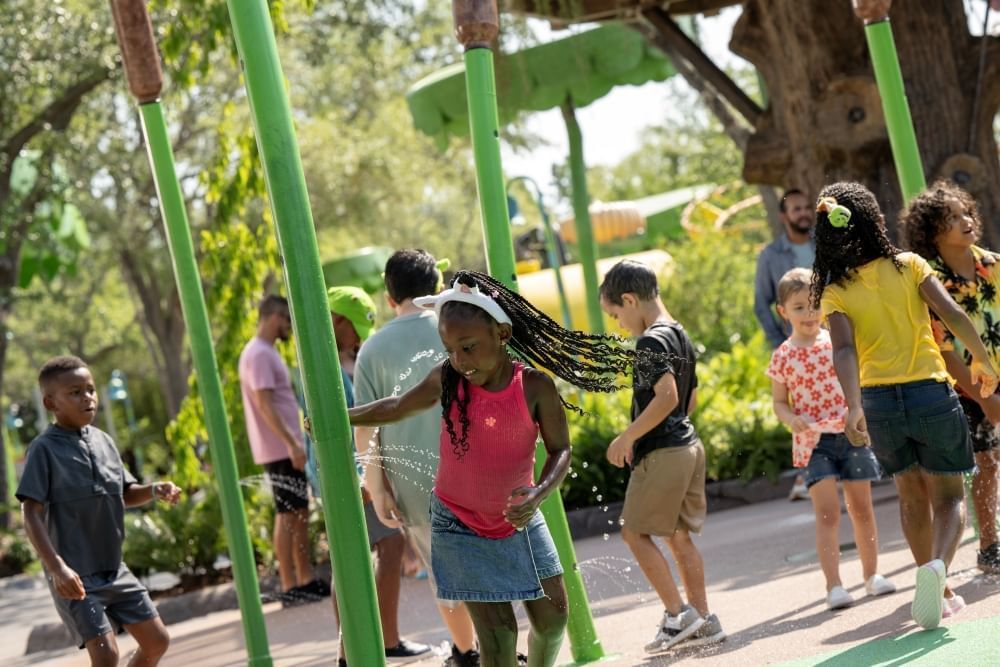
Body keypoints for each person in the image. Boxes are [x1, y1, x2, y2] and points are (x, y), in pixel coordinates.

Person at [348, 270, 639, 667]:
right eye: (450, 349)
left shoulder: (535, 387)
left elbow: (561, 450)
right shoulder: (449, 380)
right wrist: (340, 416)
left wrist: (538, 493)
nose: (460, 360)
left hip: (519, 518)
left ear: (502, 334)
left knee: (553, 620)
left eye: (468, 347)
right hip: (458, 524)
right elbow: (397, 408)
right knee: (500, 638)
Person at [811, 182, 998, 630]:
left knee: (911, 497)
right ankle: (939, 569)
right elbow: (953, 315)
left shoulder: (835, 291)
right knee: (950, 497)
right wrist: (984, 362)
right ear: (875, 220)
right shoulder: (910, 266)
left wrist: (853, 405)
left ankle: (936, 586)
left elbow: (843, 352)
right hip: (930, 391)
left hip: (878, 402)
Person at [351, 250, 479, 667]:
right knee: (492, 558)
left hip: (415, 484)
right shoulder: (455, 326)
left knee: (445, 575)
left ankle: (467, 652)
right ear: (436, 285)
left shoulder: (371, 349)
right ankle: (496, 646)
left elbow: (365, 429)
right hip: (478, 469)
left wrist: (377, 489)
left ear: (390, 297)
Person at [17, 355, 181, 666]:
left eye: (90, 389)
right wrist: (57, 568)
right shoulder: (43, 449)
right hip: (75, 575)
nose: (88, 397)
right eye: (75, 392)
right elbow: (31, 513)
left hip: (115, 569)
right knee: (106, 655)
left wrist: (155, 490)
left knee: (157, 641)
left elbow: (125, 494)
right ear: (50, 403)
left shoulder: (105, 441)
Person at [598, 259, 726, 654]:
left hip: (665, 451)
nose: (619, 324)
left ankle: (678, 616)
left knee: (634, 533)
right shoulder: (679, 334)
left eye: (616, 314)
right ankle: (703, 620)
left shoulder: (651, 340)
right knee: (678, 536)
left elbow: (668, 396)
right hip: (689, 445)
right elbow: (691, 398)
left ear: (630, 299)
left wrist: (628, 436)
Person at [766, 268, 896, 610]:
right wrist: (790, 418)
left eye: (813, 304)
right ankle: (834, 585)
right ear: (783, 311)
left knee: (862, 510)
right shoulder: (783, 355)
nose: (808, 314)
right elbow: (779, 402)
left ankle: (871, 576)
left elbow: (860, 382)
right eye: (798, 307)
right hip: (813, 442)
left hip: (851, 434)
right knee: (827, 514)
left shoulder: (839, 344)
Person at [325, 285, 431, 665]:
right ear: (336, 321)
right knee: (369, 550)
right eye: (354, 328)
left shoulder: (346, 362)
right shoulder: (325, 368)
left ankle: (367, 644)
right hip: (348, 474)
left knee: (379, 547)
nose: (358, 338)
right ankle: (359, 648)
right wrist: (360, 475)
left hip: (363, 470)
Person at [901, 181, 1000, 576]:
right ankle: (990, 544)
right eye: (953, 217)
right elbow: (943, 348)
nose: (966, 221)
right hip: (963, 387)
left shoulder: (992, 264)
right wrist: (983, 397)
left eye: (966, 212)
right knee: (985, 462)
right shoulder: (931, 282)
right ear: (931, 231)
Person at [238, 295, 328, 606]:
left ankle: (294, 582)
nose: (290, 327)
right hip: (280, 449)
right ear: (275, 317)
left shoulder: (260, 352)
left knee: (289, 512)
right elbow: (264, 404)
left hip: (279, 447)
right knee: (294, 513)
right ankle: (298, 581)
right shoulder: (260, 354)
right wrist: (292, 443)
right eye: (287, 321)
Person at [754, 189, 816, 501]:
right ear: (783, 216)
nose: (803, 213)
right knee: (800, 406)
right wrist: (780, 343)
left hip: (830, 340)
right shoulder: (771, 255)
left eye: (807, 207)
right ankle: (807, 476)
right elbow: (761, 303)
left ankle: (851, 465)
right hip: (794, 345)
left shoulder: (824, 244)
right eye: (796, 209)